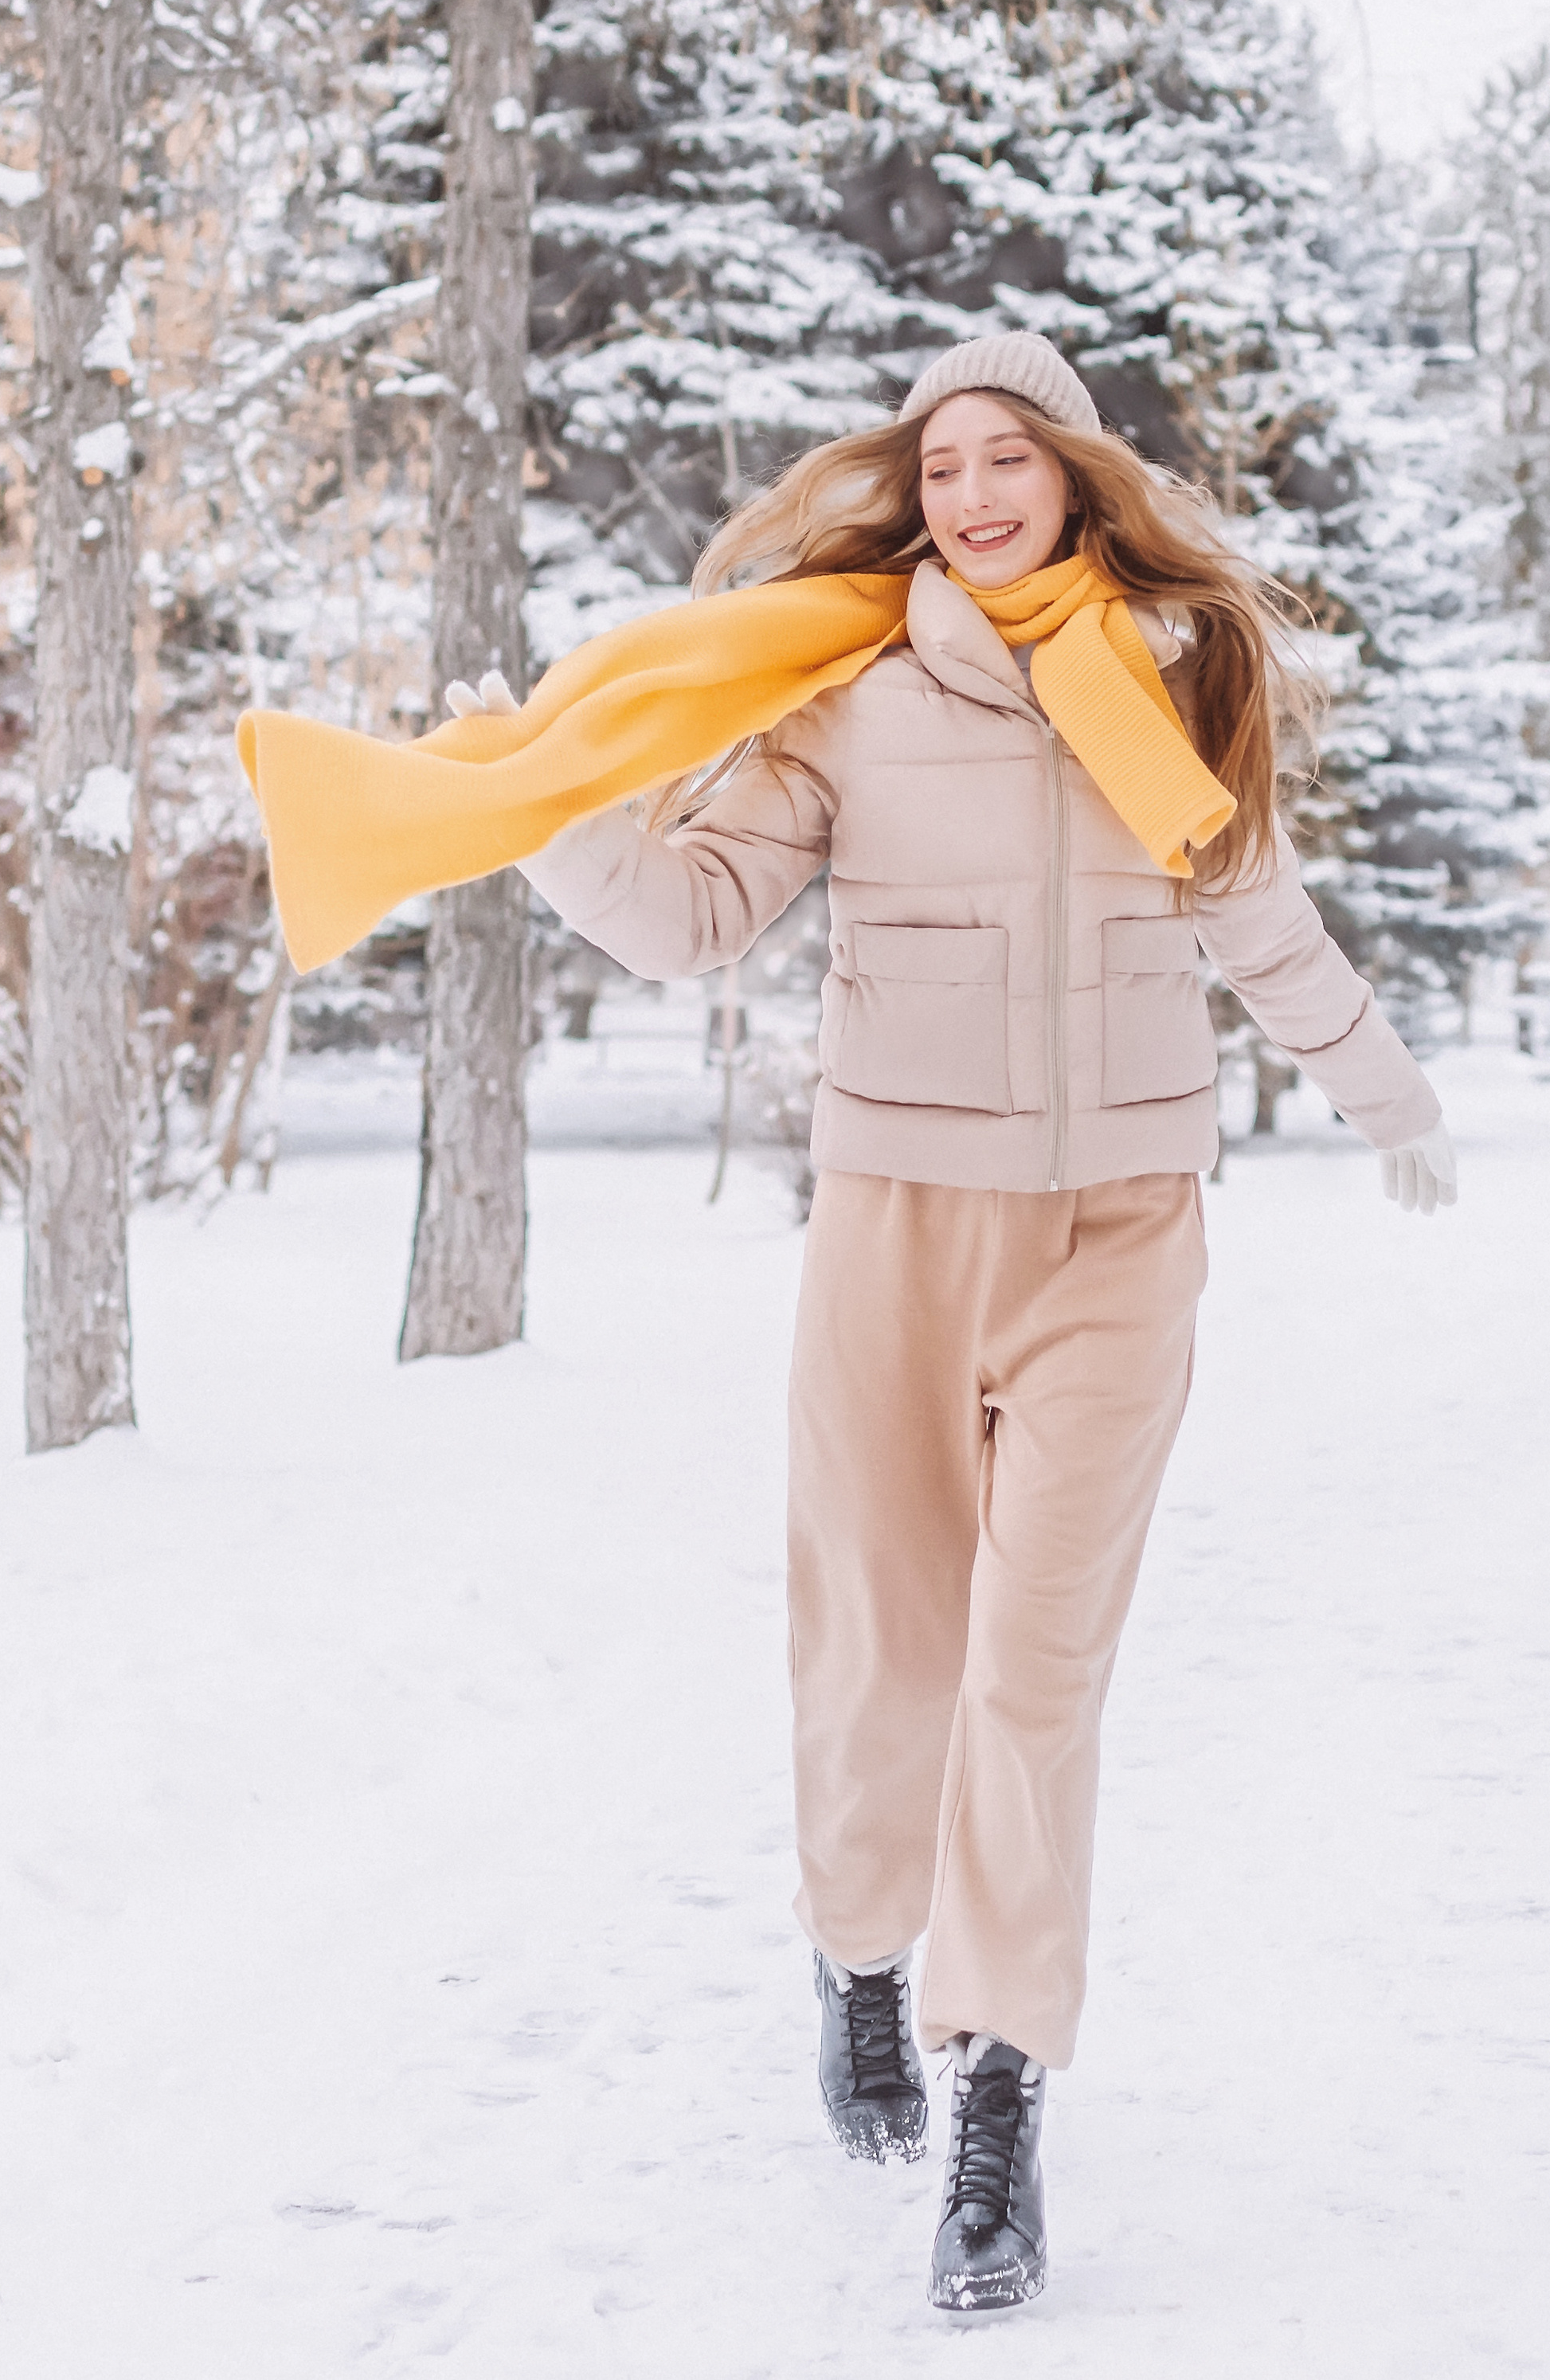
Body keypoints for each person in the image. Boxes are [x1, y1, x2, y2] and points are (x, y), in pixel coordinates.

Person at [239, 331, 1456, 2318]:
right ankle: (860, 1955)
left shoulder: (1167, 683)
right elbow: (696, 911)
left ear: (1072, 475)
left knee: (1034, 1674)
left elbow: (1254, 913)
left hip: (1122, 1235)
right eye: (942, 461)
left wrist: (1384, 1096)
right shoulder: (855, 688)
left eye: (1008, 458)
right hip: (896, 1221)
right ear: (916, 486)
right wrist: (541, 806)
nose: (972, 492)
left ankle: (1000, 2103)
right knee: (885, 1646)